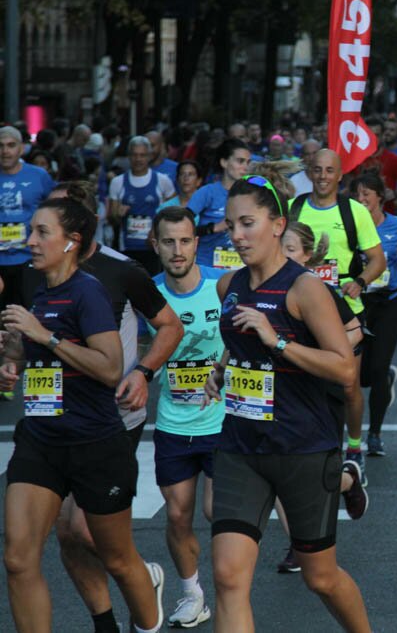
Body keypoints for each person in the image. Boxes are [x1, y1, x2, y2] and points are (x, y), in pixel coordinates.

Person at [203, 175, 370, 632]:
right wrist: (223, 370)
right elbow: (239, 343)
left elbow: (344, 369)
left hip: (302, 447)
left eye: (248, 223)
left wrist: (276, 342)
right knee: (228, 576)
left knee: (321, 578)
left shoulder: (305, 289)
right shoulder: (228, 286)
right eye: (231, 224)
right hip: (241, 445)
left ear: (277, 225)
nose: (237, 235)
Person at [20, 182, 183, 633]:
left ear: (77, 225)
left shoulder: (120, 270)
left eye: (50, 221)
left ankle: (143, 582)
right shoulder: (36, 272)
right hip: (48, 420)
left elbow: (168, 325)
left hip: (110, 416)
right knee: (68, 535)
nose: (35, 236)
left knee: (89, 533)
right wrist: (13, 360)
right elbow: (30, 339)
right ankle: (104, 622)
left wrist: (143, 373)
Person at [147, 207, 225, 628]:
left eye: (185, 240)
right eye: (168, 242)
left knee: (218, 511)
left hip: (223, 420)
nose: (178, 251)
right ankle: (192, 593)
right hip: (174, 422)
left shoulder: (222, 284)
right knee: (177, 515)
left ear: (197, 242)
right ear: (155, 245)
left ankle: (231, 589)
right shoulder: (149, 293)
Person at [276, 220, 368, 573]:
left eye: (291, 251)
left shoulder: (318, 290)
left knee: (316, 473)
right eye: (280, 249)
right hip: (281, 393)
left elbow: (356, 329)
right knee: (280, 465)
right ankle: (298, 545)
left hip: (320, 391)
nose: (284, 257)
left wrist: (325, 355)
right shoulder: (265, 290)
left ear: (307, 257)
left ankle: (347, 480)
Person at [290, 149, 387, 479]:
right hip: (300, 308)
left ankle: (355, 447)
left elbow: (377, 260)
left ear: (340, 175)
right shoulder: (296, 208)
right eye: (316, 169)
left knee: (348, 385)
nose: (322, 176)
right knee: (304, 383)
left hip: (345, 311)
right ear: (309, 172)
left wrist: (360, 282)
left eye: (329, 170)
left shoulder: (354, 211)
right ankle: (313, 447)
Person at [350, 173, 397, 455]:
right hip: (358, 304)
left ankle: (375, 434)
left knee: (378, 369)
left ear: (381, 196)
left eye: (368, 193)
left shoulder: (396, 225)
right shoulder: (351, 225)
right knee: (359, 376)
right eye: (358, 194)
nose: (362, 199)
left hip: (389, 304)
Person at [0, 126, 55, 310]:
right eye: (0, 146)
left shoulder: (39, 176)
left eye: (11, 145)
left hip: (31, 258)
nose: (5, 151)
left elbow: (54, 211)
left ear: (21, 148)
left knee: (31, 313)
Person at [108, 136, 176, 274]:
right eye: (134, 155)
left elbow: (173, 213)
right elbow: (111, 219)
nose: (138, 159)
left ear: (149, 156)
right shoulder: (117, 182)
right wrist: (118, 215)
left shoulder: (163, 181)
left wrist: (158, 230)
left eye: (142, 155)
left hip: (154, 248)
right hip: (127, 248)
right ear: (128, 157)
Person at [186, 138, 252, 269]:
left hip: (240, 266)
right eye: (240, 161)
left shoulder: (251, 194)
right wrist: (214, 228)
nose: (245, 167)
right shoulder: (207, 192)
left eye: (248, 162)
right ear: (224, 162)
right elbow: (183, 226)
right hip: (207, 264)